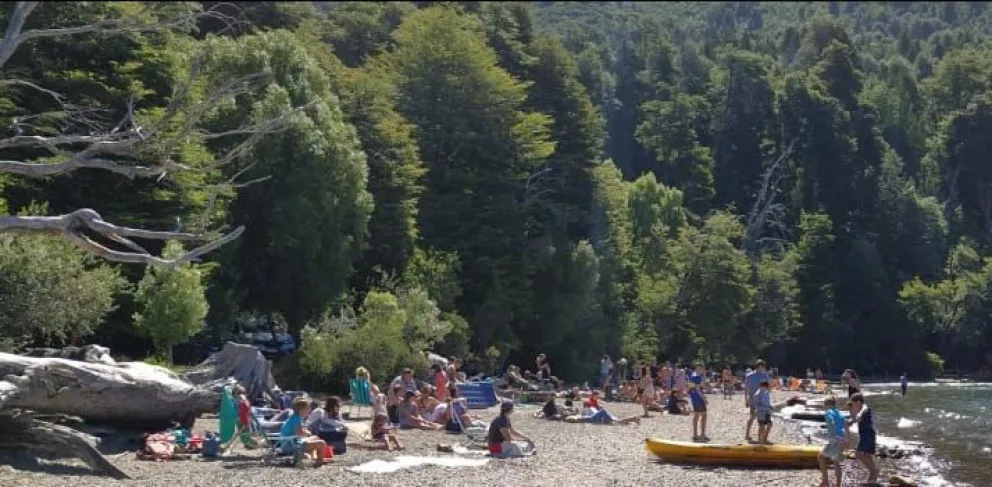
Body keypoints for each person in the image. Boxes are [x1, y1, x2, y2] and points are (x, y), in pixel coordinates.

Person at [281, 396, 327, 465]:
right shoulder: (296, 419)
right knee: (322, 443)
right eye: (308, 408)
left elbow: (299, 431)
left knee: (315, 437)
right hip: (291, 444)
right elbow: (299, 433)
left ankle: (314, 457)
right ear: (301, 410)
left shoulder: (296, 417)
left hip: (292, 441)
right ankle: (319, 460)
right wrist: (307, 433)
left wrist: (306, 432)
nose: (310, 410)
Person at [847, 393, 879, 484]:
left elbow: (858, 418)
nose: (853, 407)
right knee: (867, 455)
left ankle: (873, 472)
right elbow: (856, 419)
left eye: (853, 405)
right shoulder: (862, 409)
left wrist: (852, 414)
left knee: (859, 454)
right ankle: (873, 475)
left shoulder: (865, 409)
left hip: (868, 435)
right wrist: (850, 420)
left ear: (858, 402)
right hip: (867, 435)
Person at [817, 396, 845, 487]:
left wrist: (832, 432)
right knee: (836, 462)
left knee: (821, 457)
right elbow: (845, 425)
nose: (824, 407)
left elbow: (831, 421)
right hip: (842, 439)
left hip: (835, 440)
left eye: (824, 405)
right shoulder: (840, 413)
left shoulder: (828, 412)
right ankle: (837, 485)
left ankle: (825, 481)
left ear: (828, 405)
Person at [744, 359, 770, 443]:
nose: (764, 368)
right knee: (753, 417)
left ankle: (759, 437)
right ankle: (749, 434)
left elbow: (768, 388)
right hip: (754, 401)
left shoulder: (764, 375)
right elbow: (746, 389)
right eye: (763, 366)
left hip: (761, 401)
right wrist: (746, 400)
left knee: (758, 419)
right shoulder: (750, 375)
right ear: (760, 366)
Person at [754, 380, 773, 444]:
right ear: (761, 386)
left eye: (766, 387)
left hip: (767, 411)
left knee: (769, 425)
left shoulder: (767, 392)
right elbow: (756, 405)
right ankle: (759, 440)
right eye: (763, 386)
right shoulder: (757, 394)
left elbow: (768, 402)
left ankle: (765, 439)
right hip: (761, 412)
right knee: (761, 426)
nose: (765, 388)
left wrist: (770, 406)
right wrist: (764, 407)